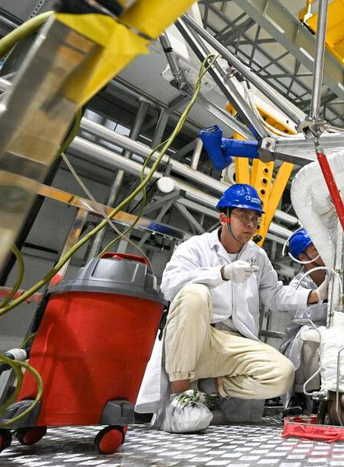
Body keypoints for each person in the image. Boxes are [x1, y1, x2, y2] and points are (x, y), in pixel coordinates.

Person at [137, 184, 328, 433]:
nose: (250, 224)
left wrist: (314, 295)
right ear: (224, 218)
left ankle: (209, 386)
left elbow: (274, 295)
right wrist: (221, 273)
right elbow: (170, 285)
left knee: (282, 374)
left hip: (233, 343)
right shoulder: (195, 247)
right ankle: (181, 398)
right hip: (196, 338)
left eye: (255, 218)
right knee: (195, 294)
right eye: (243, 217)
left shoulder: (256, 256)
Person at [279, 229, 328, 412]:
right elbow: (302, 315)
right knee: (312, 337)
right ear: (303, 256)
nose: (323, 250)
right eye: (315, 247)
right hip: (303, 341)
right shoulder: (298, 285)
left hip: (335, 338)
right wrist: (321, 296)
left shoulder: (343, 278)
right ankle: (300, 395)